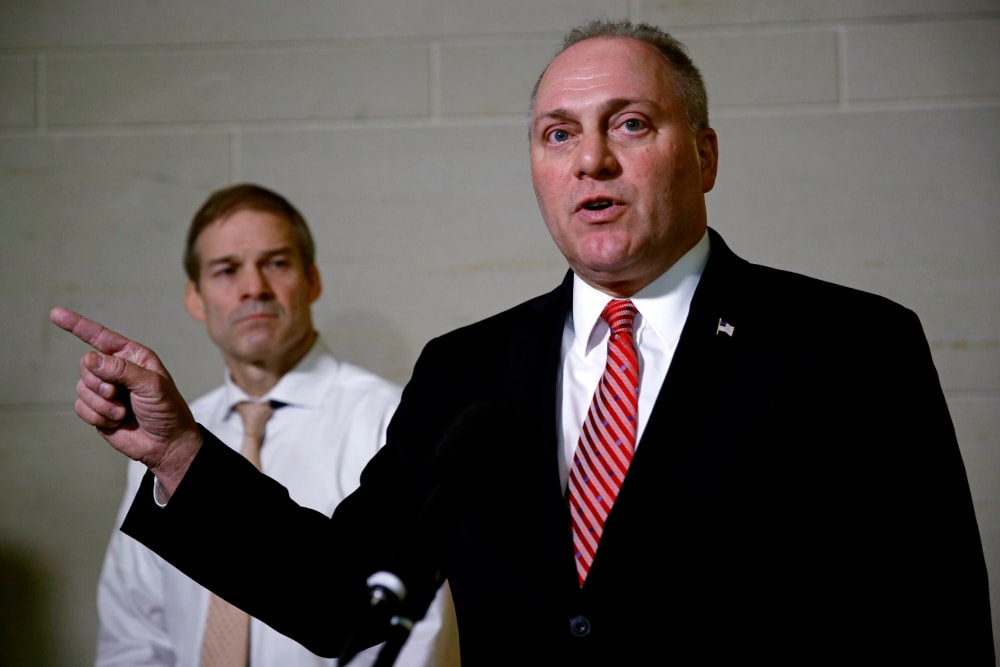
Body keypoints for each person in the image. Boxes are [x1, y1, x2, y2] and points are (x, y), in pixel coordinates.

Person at [53, 19, 993, 666]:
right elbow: (342, 596)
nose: (592, 159)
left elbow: (932, 633)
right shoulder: (466, 372)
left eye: (630, 123)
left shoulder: (850, 345)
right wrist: (179, 451)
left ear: (703, 154)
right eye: (557, 134)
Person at [91, 183, 460, 666]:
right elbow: (135, 630)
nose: (254, 288)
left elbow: (417, 633)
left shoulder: (391, 420)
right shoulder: (163, 438)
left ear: (312, 280)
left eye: (276, 263)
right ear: (196, 298)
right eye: (226, 270)